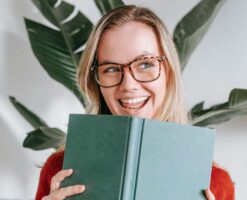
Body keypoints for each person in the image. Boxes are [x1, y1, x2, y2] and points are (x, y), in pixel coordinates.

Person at [35, 5, 235, 200]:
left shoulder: (214, 183)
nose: (129, 85)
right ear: (96, 82)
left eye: (145, 64)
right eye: (111, 69)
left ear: (169, 72)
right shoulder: (60, 171)